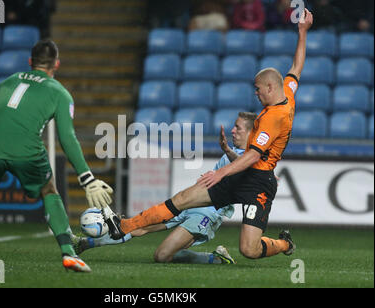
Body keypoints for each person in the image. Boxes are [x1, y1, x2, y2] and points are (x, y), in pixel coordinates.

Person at [111, 9, 314, 261]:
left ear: (270, 87)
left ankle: (284, 244)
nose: (256, 93)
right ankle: (126, 225)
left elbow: (252, 156)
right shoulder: (287, 91)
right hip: (241, 174)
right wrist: (303, 32)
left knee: (248, 250)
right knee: (182, 198)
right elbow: (297, 66)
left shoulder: (276, 116)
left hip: (259, 182)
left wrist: (219, 172)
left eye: (258, 89)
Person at [0, 39, 115, 273]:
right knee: (48, 190)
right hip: (26, 151)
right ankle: (68, 253)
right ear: (57, 64)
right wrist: (87, 178)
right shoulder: (60, 93)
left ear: (30, 62)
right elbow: (67, 138)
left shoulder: (9, 81)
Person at [73, 112, 257, 265]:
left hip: (207, 213)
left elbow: (245, 167)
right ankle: (84, 243)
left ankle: (215, 258)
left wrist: (229, 154)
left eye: (238, 127)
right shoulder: (238, 152)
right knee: (138, 227)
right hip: (191, 203)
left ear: (251, 132)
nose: (233, 130)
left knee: (162, 256)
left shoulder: (252, 158)